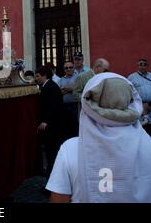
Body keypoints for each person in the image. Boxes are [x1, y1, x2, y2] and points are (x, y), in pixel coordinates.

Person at [46, 72, 151, 202]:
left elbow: (58, 199)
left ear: (87, 102)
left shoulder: (70, 149)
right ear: (129, 99)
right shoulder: (148, 144)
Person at [36, 66, 67, 184]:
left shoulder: (49, 87)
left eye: (38, 76)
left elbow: (53, 107)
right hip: (54, 126)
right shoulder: (49, 86)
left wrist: (46, 121)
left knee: (52, 154)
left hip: (53, 128)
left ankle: (52, 182)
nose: (36, 78)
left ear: (44, 76)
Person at [128, 59, 151, 130]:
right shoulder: (132, 77)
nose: (143, 66)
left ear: (147, 66)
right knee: (143, 126)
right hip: (141, 104)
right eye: (141, 64)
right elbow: (128, 90)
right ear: (137, 66)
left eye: (145, 64)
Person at [58, 61, 78, 138]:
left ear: (74, 68)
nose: (68, 69)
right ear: (64, 69)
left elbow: (77, 89)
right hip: (64, 107)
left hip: (75, 106)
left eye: (70, 67)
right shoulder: (61, 79)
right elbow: (59, 92)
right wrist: (70, 89)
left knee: (75, 126)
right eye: (66, 68)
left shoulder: (79, 77)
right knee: (66, 127)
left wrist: (65, 89)